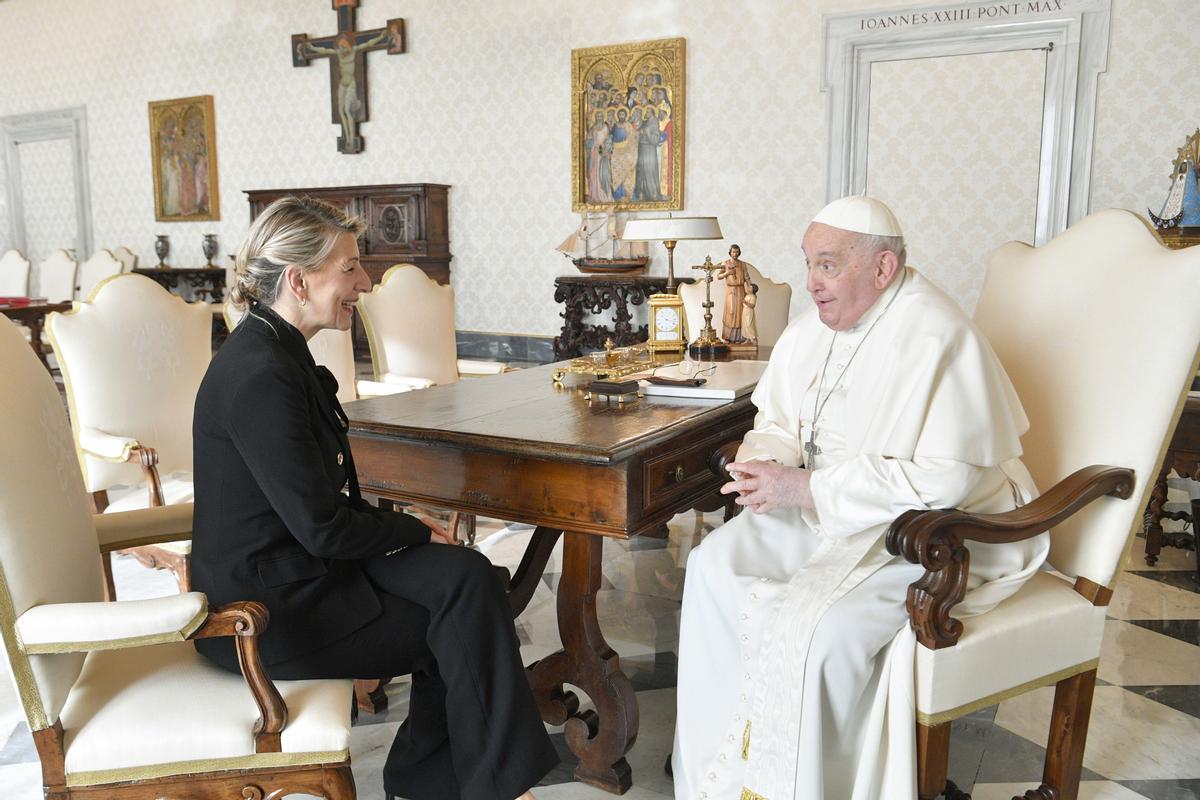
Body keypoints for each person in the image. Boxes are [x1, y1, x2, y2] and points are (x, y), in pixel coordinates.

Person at [672, 196, 1047, 800]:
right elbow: (779, 419)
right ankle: (723, 773)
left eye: (826, 265)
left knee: (823, 631)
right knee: (715, 567)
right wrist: (762, 457)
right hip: (824, 510)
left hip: (923, 532)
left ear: (883, 268)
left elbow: (945, 482)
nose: (810, 283)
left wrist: (807, 488)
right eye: (808, 264)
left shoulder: (935, 336)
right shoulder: (809, 332)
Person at [191, 197, 558, 800]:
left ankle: (428, 784)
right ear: (299, 280)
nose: (363, 282)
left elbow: (319, 507)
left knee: (470, 579)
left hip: (301, 570)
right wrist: (413, 528)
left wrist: (412, 528)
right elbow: (324, 528)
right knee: (466, 612)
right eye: (350, 268)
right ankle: (463, 787)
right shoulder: (260, 373)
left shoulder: (275, 352)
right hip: (265, 614)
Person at [715, 244, 748, 342]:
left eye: (737, 252)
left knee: (741, 313)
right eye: (733, 252)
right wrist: (727, 273)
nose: (735, 254)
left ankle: (740, 338)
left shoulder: (742, 264)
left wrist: (750, 286)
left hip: (741, 290)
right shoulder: (726, 263)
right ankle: (728, 337)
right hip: (731, 290)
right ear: (730, 252)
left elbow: (746, 276)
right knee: (731, 312)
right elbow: (719, 276)